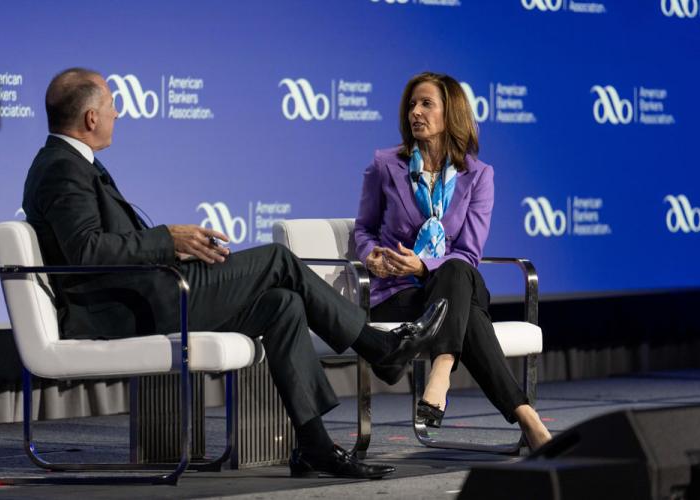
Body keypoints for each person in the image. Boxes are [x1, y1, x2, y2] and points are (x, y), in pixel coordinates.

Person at [23, 68, 449, 479]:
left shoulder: (72, 163)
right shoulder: (63, 168)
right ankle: (380, 347)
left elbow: (102, 245)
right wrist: (167, 239)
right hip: (123, 312)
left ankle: (314, 445)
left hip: (145, 293)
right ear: (90, 117)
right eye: (113, 105)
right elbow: (87, 249)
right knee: (277, 260)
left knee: (282, 304)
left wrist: (182, 250)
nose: (119, 113)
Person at [354, 72, 552, 450]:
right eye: (412, 104)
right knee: (468, 309)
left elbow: (469, 251)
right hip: (398, 293)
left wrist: (424, 266)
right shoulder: (385, 165)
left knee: (457, 269)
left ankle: (441, 367)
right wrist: (371, 256)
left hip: (448, 285)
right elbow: (363, 229)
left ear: (451, 113)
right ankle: (527, 417)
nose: (416, 112)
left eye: (426, 104)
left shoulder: (478, 176)